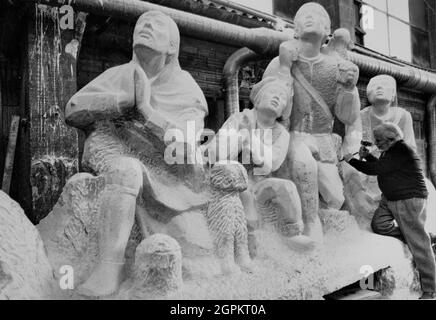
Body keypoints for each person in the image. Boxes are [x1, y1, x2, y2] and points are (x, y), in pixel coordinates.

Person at [65, 11, 208, 296]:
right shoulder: (119, 75)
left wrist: (146, 113)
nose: (144, 27)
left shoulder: (187, 89)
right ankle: (110, 266)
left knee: (189, 233)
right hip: (111, 149)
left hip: (163, 169)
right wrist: (122, 102)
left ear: (172, 46)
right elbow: (72, 110)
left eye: (155, 26)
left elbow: (185, 146)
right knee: (125, 170)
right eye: (141, 25)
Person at [263, 2, 360, 243]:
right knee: (304, 161)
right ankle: (311, 222)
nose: (310, 18)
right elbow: (273, 111)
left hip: (324, 141)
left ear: (328, 31)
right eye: (303, 16)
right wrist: (285, 68)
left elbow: (348, 117)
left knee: (335, 198)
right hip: (291, 136)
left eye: (318, 17)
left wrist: (349, 89)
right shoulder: (280, 62)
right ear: (294, 30)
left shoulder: (337, 66)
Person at [344, 123, 436, 299]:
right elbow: (383, 167)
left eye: (379, 140)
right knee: (379, 225)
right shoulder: (392, 150)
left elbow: (376, 170)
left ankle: (430, 290)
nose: (376, 143)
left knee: (419, 245)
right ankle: (421, 236)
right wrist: (369, 156)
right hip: (391, 198)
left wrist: (352, 160)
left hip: (408, 199)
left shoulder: (401, 150)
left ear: (391, 139)